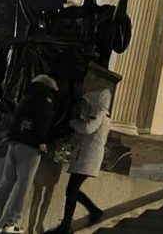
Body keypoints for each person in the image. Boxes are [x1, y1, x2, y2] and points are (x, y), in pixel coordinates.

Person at [0, 74, 58, 233]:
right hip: (30, 146)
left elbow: (16, 119)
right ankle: (10, 223)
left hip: (14, 143)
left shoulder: (27, 95)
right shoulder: (45, 98)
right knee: (22, 186)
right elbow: (43, 121)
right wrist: (42, 141)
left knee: (6, 184)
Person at [50, 88, 111, 233]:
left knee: (72, 189)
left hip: (88, 157)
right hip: (85, 156)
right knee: (72, 189)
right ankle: (89, 213)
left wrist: (73, 123)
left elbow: (89, 128)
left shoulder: (99, 113)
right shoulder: (103, 114)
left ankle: (69, 223)